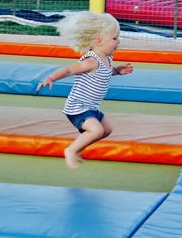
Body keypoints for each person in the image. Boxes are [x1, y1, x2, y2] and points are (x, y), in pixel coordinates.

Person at [37, 11, 133, 170]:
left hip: (92, 108)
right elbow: (69, 70)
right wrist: (51, 78)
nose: (119, 41)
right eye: (114, 38)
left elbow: (104, 73)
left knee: (107, 130)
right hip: (78, 108)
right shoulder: (91, 60)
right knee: (96, 131)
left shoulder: (107, 58)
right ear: (99, 40)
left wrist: (117, 71)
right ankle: (71, 150)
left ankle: (79, 148)